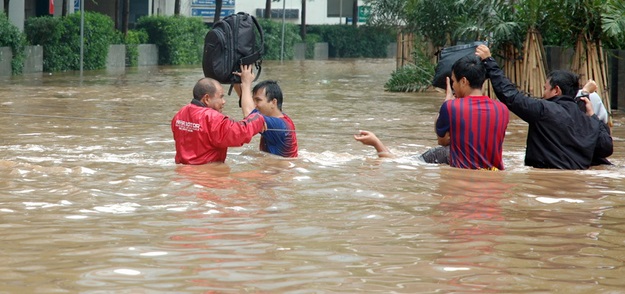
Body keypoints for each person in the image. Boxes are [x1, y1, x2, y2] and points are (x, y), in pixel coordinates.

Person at [355, 54, 510, 170]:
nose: (454, 87)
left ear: (463, 81)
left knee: (402, 161)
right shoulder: (502, 109)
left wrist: (447, 102)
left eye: (454, 82)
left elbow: (442, 141)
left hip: (459, 176)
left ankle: (376, 142)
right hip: (492, 175)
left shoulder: (451, 107)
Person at [476, 44, 613, 169]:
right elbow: (606, 148)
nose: (543, 93)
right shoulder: (588, 120)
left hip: (545, 185)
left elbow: (510, 96)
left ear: (556, 90)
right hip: (575, 185)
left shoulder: (543, 110)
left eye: (545, 88)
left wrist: (489, 62)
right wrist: (593, 117)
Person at [171, 77, 266, 165]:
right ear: (207, 99)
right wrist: (258, 118)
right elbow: (241, 132)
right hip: (206, 176)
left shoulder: (180, 113)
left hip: (183, 174)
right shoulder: (212, 118)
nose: (223, 101)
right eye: (221, 97)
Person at [234, 65, 298, 158]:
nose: (254, 104)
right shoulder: (278, 118)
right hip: (278, 167)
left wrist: (246, 82)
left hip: (279, 171)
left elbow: (249, 115)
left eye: (258, 100)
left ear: (273, 102)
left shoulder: (278, 125)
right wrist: (237, 80)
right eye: (253, 100)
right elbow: (246, 101)